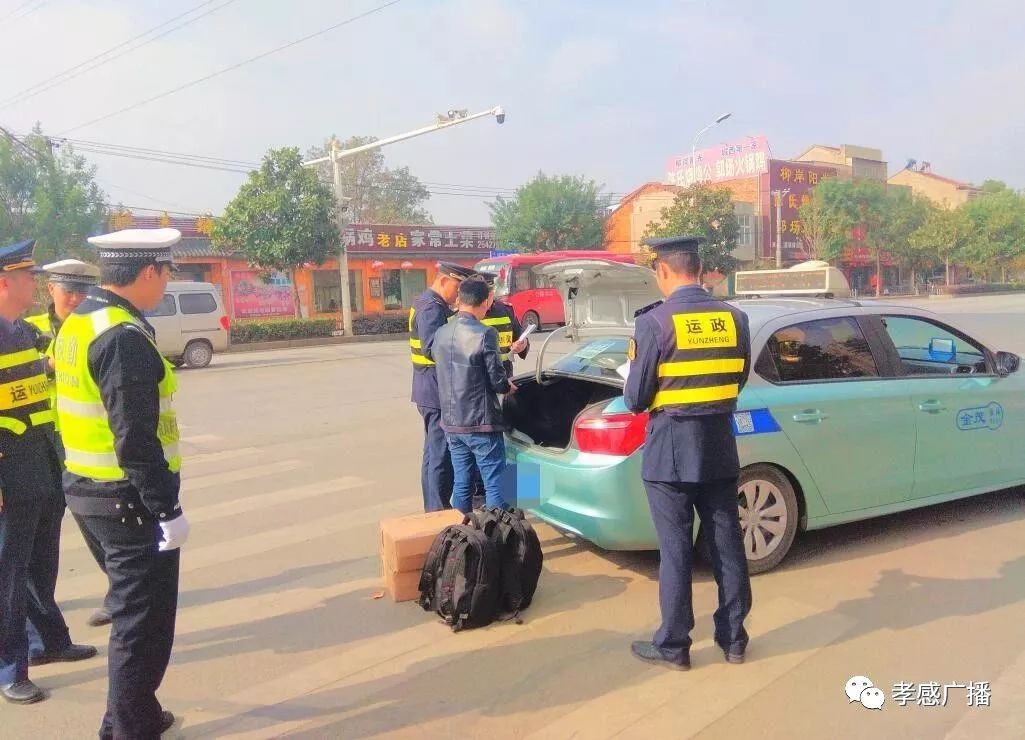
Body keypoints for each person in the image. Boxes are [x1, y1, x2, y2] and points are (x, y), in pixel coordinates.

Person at [55, 228, 187, 737]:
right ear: (148, 272)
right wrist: (167, 509)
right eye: (168, 271)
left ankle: (138, 715)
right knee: (143, 626)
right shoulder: (122, 337)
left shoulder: (79, 321)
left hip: (87, 488)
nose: (168, 281)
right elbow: (135, 439)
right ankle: (128, 730)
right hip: (127, 500)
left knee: (137, 617)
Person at [624, 235, 752, 671]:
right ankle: (734, 639)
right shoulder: (735, 318)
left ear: (663, 271)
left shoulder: (655, 322)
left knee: (675, 550)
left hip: (670, 453)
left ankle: (674, 646)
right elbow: (738, 379)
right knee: (727, 544)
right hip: (719, 445)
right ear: (699, 269)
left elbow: (636, 398)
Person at [0, 240, 97, 706]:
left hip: (40, 467)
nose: (36, 284)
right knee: (8, 578)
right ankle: (8, 669)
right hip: (8, 480)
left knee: (40, 567)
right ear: (4, 283)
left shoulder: (22, 331)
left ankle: (49, 643)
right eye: (28, 277)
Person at [24, 258, 114, 628]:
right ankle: (41, 612)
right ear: (51, 290)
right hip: (43, 444)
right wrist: (45, 366)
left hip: (88, 442)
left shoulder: (99, 328)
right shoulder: (27, 330)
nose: (76, 299)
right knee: (42, 535)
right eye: (68, 290)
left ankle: (119, 590)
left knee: (96, 520)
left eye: (84, 291)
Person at [430, 276, 515, 514]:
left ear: (460, 299)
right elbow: (497, 382)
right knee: (495, 481)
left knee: (462, 483)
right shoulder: (485, 333)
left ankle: (461, 538)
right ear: (485, 301)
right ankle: (498, 537)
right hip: (481, 423)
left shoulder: (442, 333)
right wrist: (508, 386)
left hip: (452, 423)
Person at [409, 262, 476, 512]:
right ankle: (436, 510)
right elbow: (433, 348)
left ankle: (434, 506)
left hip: (428, 388)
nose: (458, 295)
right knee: (439, 453)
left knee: (433, 452)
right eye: (457, 288)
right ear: (444, 280)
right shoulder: (431, 308)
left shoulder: (427, 303)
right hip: (434, 390)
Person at [479, 272, 530, 377]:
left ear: (492, 293)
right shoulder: (465, 314)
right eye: (480, 297)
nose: (483, 302)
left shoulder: (505, 310)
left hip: (505, 378)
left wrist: (522, 345)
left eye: (486, 297)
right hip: (478, 380)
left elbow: (521, 338)